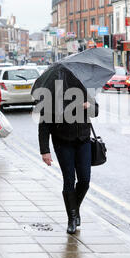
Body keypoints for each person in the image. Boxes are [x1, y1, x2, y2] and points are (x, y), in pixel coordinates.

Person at [39, 74, 99, 235]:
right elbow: (44, 125)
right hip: (63, 142)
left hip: (83, 140)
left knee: (85, 180)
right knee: (69, 180)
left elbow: (96, 112)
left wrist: (89, 106)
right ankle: (72, 218)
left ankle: (74, 207)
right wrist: (45, 150)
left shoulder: (85, 89)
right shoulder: (51, 94)